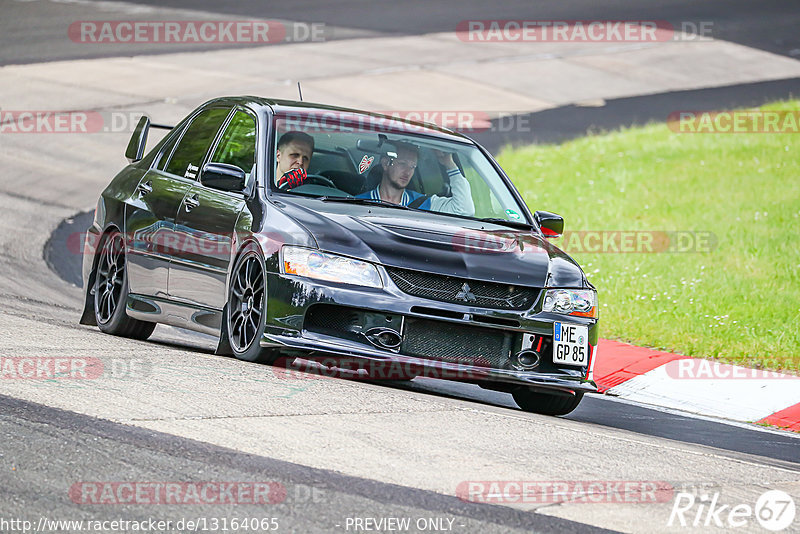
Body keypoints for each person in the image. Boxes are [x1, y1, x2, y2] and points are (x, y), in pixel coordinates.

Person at [357, 142, 474, 216]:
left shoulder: (424, 204)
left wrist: (450, 164)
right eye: (402, 164)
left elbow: (464, 210)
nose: (408, 172)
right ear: (386, 164)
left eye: (413, 167)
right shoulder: (359, 203)